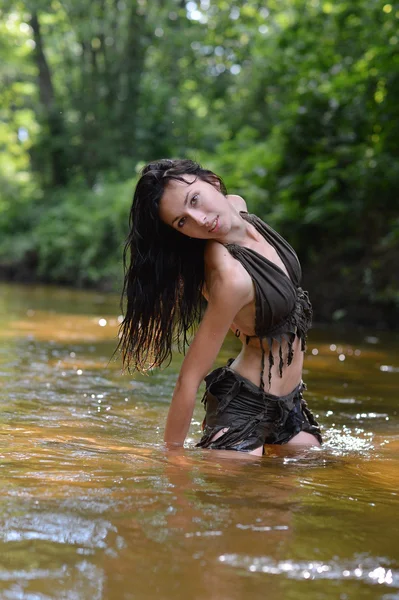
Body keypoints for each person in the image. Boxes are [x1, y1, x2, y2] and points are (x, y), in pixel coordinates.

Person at [118, 159, 322, 456]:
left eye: (195, 200)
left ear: (212, 181)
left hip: (289, 406)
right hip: (242, 409)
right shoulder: (230, 278)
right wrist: (173, 459)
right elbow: (188, 380)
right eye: (182, 221)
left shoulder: (238, 207)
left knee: (309, 481)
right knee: (233, 498)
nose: (199, 220)